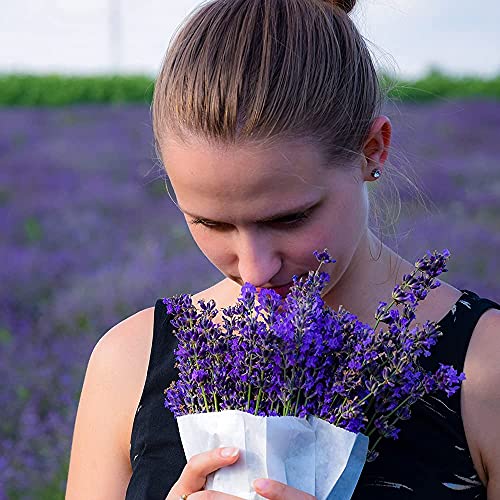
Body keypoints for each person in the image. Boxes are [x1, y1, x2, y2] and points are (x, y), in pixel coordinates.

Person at [65, 0, 500, 498]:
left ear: (372, 150)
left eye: (289, 218)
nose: (254, 270)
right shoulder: (128, 364)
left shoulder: (486, 367)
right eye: (211, 223)